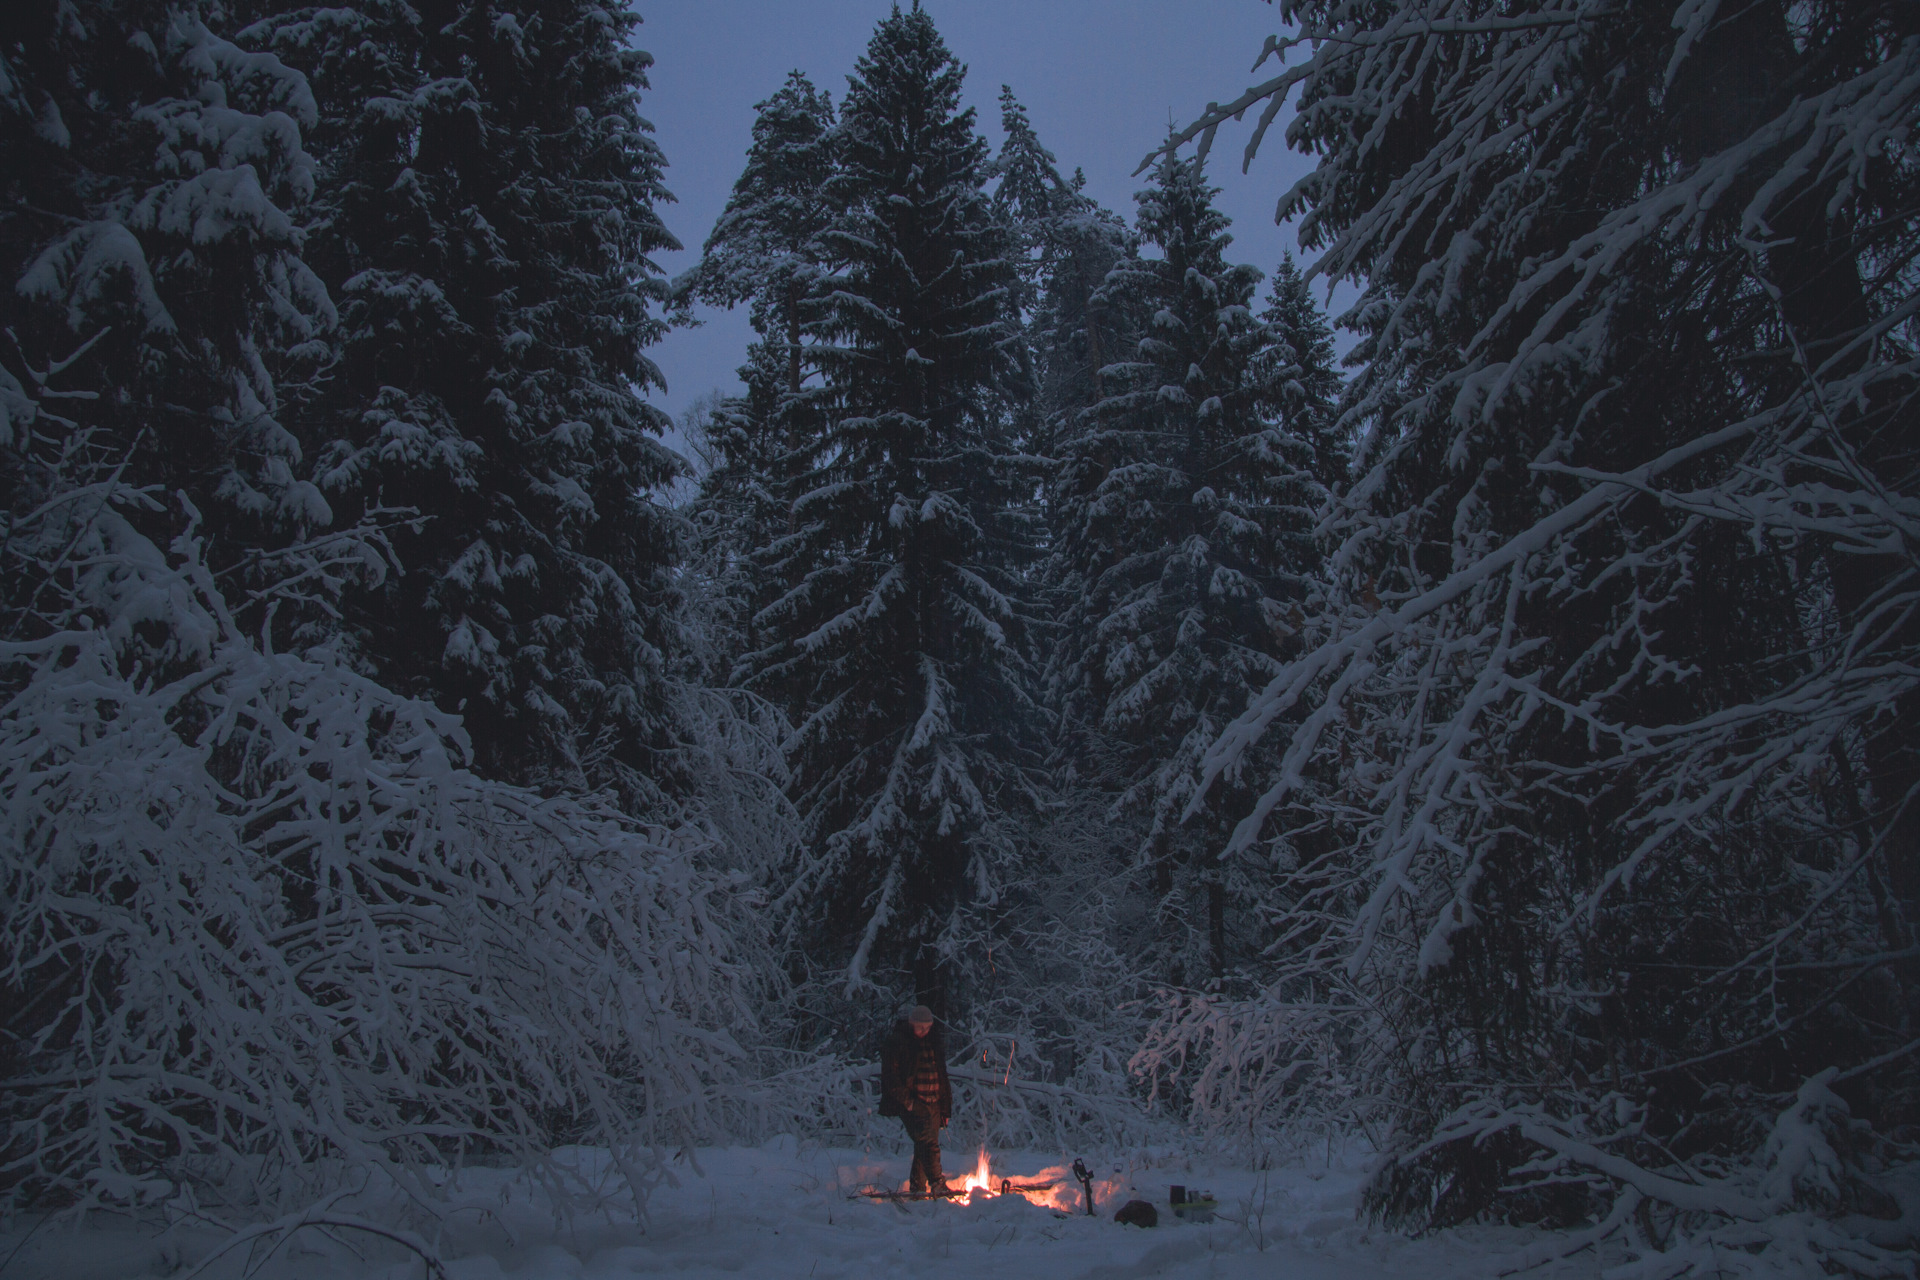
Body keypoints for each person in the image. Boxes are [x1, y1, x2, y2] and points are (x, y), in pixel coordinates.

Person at [877, 1005, 952, 1195]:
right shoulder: (899, 1043)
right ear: (911, 1025)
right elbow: (890, 1076)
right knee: (928, 1143)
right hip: (913, 1103)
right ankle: (937, 1183)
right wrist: (908, 1102)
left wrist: (945, 1108)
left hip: (933, 1102)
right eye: (920, 1027)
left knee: (924, 1144)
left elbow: (942, 1076)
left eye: (927, 1027)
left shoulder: (933, 1043)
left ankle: (918, 1189)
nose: (924, 1031)